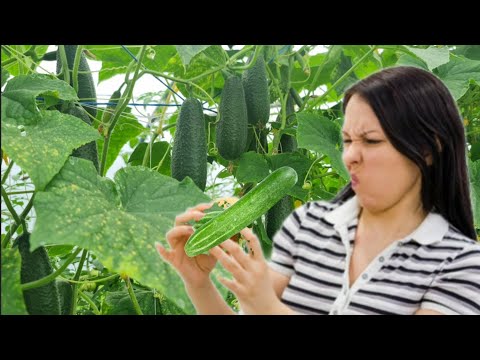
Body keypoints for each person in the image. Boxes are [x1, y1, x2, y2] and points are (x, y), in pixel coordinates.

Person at [156, 66, 480, 315]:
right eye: (349, 140)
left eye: (371, 141)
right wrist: (198, 284)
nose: (350, 155)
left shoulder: (459, 264)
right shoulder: (307, 225)